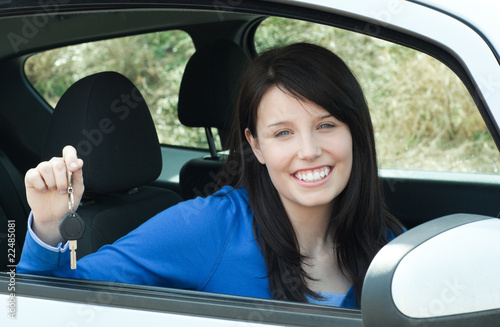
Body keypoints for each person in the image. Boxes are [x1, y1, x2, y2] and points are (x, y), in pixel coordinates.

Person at [18, 43, 405, 309]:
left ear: (354, 131)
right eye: (283, 133)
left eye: (326, 125)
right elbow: (32, 305)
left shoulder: (385, 241)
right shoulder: (209, 227)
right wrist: (50, 227)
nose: (308, 150)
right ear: (256, 146)